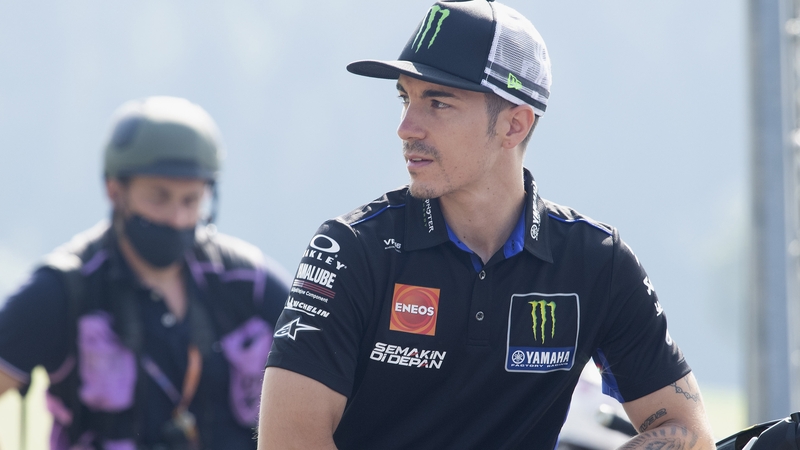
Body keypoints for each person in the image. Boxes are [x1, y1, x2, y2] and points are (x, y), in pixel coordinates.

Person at [258, 1, 716, 449]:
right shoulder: (350, 248)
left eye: (437, 103)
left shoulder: (596, 261)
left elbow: (688, 431)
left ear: (514, 126)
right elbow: (287, 441)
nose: (406, 126)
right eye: (405, 97)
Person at [0, 96, 290, 449]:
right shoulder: (64, 291)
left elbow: (329, 385)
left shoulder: (249, 284)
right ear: (115, 190)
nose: (178, 218)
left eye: (191, 200)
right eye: (159, 196)